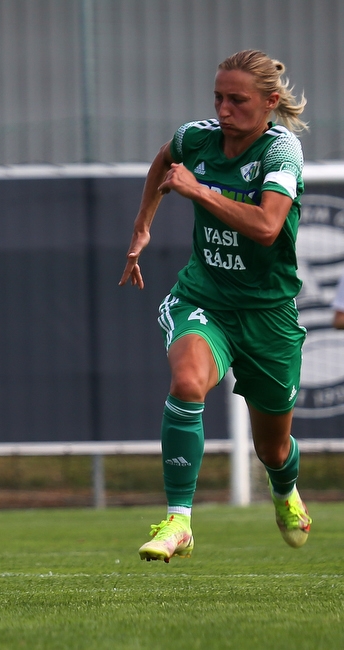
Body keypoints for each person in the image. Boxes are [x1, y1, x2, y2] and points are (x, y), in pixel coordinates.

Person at [119, 50, 312, 563]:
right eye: (218, 98)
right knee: (186, 382)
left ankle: (284, 489)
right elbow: (166, 156)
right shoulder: (198, 137)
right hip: (204, 296)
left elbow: (268, 227)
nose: (224, 110)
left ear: (270, 103)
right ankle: (178, 520)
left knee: (272, 448)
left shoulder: (280, 151)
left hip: (269, 313)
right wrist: (143, 224)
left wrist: (199, 191)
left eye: (237, 100)